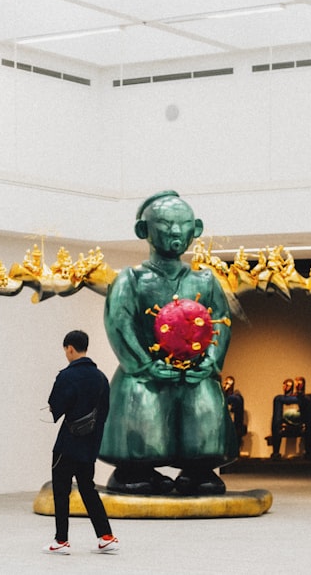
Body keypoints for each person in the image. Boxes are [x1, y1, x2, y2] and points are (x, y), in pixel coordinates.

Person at [100, 191, 237, 496]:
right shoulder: (130, 280)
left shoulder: (206, 281)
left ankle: (199, 470)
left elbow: (222, 325)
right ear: (143, 231)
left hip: (195, 370)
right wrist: (145, 365)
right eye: (164, 223)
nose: (175, 231)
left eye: (182, 224)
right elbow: (119, 324)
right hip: (146, 371)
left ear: (196, 228)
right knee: (142, 406)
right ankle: (136, 471)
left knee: (204, 406)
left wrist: (210, 363)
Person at [42, 330, 119, 556]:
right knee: (88, 488)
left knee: (61, 491)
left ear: (70, 348)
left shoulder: (67, 376)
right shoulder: (101, 378)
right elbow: (105, 412)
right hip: (90, 445)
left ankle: (61, 540)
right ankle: (105, 536)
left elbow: (56, 406)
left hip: (67, 444)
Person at [222, 375, 245, 450]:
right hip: (222, 420)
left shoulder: (236, 398)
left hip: (233, 420)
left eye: (227, 383)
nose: (226, 385)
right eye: (225, 383)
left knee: (236, 398)